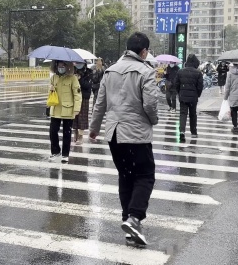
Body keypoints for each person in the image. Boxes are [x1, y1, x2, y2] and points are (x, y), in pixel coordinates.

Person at [89, 32, 159, 246]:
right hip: (136, 134)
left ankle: (129, 224)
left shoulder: (110, 71)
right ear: (144, 52)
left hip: (114, 134)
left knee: (126, 176)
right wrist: (153, 120)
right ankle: (135, 217)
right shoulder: (145, 71)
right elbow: (150, 104)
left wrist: (94, 129)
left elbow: (99, 104)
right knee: (145, 176)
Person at [48, 61, 81, 163]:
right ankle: (55, 151)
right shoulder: (54, 78)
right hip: (55, 108)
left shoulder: (73, 78)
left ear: (67, 66)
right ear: (56, 66)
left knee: (67, 133)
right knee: (53, 132)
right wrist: (50, 89)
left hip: (68, 109)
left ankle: (65, 154)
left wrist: (76, 109)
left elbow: (77, 94)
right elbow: (50, 93)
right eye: (59, 65)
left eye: (63, 66)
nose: (61, 67)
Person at [174, 54, 203, 142]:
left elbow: (176, 84)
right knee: (192, 114)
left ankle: (182, 132)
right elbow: (200, 86)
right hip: (193, 97)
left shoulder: (180, 71)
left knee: (183, 114)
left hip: (183, 96)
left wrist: (180, 93)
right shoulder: (198, 73)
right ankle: (193, 132)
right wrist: (197, 94)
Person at [73, 61, 93, 145]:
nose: (78, 64)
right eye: (77, 63)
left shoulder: (89, 72)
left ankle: (80, 136)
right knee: (74, 116)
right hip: (74, 96)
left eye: (80, 63)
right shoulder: (72, 71)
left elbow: (88, 86)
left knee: (82, 117)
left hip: (84, 97)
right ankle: (75, 134)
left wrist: (80, 79)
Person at [224, 63, 238, 134]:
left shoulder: (230, 73)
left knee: (233, 112)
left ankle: (235, 127)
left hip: (233, 96)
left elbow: (227, 87)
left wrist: (225, 97)